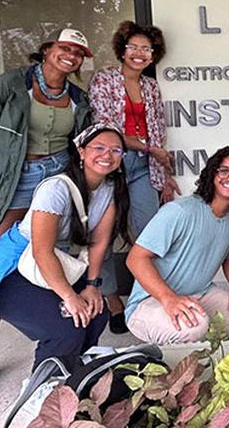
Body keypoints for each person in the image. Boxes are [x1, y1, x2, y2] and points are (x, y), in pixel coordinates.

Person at [0, 28, 93, 409]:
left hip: (58, 176)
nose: (71, 56)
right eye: (64, 48)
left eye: (78, 53)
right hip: (15, 178)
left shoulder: (77, 98)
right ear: (47, 50)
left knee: (50, 254)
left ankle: (59, 336)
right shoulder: (11, 85)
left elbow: (82, 146)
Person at [0, 123, 129, 373]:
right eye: (98, 147)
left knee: (96, 313)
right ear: (80, 151)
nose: (107, 155)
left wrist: (91, 287)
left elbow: (98, 242)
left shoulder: (110, 189)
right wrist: (70, 296)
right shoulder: (55, 188)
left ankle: (75, 374)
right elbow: (41, 251)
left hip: (49, 264)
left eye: (116, 150)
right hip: (12, 269)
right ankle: (45, 390)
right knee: (64, 326)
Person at [89, 21, 181, 334]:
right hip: (110, 165)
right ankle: (112, 301)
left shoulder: (151, 87)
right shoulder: (104, 80)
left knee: (148, 233)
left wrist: (166, 175)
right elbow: (106, 128)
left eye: (147, 49)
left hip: (145, 166)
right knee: (104, 233)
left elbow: (160, 135)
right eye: (134, 47)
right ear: (122, 50)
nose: (140, 54)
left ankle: (145, 295)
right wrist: (148, 147)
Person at [125, 147, 229, 344]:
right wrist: (169, 298)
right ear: (212, 174)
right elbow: (135, 258)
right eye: (224, 170)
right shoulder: (179, 211)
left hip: (201, 293)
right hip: (152, 300)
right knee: (194, 328)